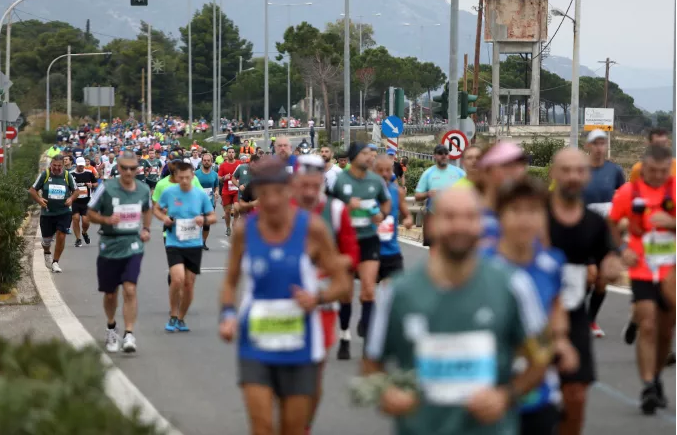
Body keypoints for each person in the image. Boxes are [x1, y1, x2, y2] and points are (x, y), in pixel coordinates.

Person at [363, 185, 551, 435]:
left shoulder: (513, 285)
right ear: (432, 225)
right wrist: (386, 393)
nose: (460, 225)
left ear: (481, 225)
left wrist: (507, 396)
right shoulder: (397, 293)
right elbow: (371, 364)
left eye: (469, 217)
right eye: (450, 217)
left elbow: (542, 355)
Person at [218, 156, 351, 435]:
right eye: (264, 194)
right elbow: (230, 282)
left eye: (278, 192)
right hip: (255, 342)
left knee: (293, 429)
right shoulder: (245, 230)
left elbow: (343, 284)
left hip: (301, 344)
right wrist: (228, 315)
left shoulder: (313, 229)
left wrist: (317, 298)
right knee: (262, 426)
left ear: (289, 189)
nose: (272, 201)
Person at [483, 178, 579, 435]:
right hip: (486, 390)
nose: (524, 220)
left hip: (537, 390)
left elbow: (557, 304)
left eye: (533, 211)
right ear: (500, 216)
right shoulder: (480, 266)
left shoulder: (552, 263)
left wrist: (560, 339)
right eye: (516, 211)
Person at [548, 148, 623, 435]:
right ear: (554, 174)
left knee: (576, 394)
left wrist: (613, 263)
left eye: (579, 171)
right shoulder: (536, 215)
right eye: (566, 170)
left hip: (574, 315)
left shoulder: (593, 222)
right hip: (535, 316)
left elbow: (609, 253)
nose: (573, 176)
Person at [290, 154, 360, 434]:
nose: (309, 192)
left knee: (313, 373)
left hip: (322, 303)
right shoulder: (280, 209)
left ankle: (304, 424)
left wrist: (326, 262)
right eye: (303, 185)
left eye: (314, 185)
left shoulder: (335, 211)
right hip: (283, 304)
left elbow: (351, 256)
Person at [608, 144, 675, 415]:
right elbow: (612, 223)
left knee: (665, 330)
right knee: (647, 324)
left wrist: (671, 224)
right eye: (653, 171)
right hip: (642, 268)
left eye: (664, 171)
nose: (658, 176)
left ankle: (656, 376)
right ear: (643, 168)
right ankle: (648, 385)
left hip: (670, 267)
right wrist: (622, 250)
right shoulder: (628, 192)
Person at [87, 150, 152, 353]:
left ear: (137, 169)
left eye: (132, 168)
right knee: (110, 294)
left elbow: (148, 208)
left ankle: (129, 334)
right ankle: (111, 326)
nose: (128, 172)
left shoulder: (143, 189)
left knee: (130, 288)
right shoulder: (106, 188)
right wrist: (106, 220)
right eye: (124, 168)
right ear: (118, 168)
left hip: (133, 244)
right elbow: (89, 213)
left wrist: (146, 229)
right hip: (110, 245)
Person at [331, 142, 391, 360]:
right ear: (354, 156)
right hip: (346, 241)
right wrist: (347, 208)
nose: (369, 157)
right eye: (364, 154)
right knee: (346, 293)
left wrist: (381, 217)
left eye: (370, 154)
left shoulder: (375, 180)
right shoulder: (340, 180)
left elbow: (386, 204)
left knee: (368, 290)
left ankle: (367, 338)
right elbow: (330, 208)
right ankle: (345, 336)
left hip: (368, 239)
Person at [155, 162, 217, 332]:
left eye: (187, 178)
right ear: (175, 177)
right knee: (177, 279)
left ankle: (181, 318)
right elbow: (157, 209)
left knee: (189, 283)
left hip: (194, 243)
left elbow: (213, 217)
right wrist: (164, 218)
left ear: (192, 176)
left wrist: (203, 220)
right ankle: (173, 315)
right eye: (180, 178)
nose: (184, 181)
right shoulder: (169, 192)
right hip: (174, 241)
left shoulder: (200, 195)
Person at [29, 154, 80, 273]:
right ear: (51, 164)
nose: (56, 168)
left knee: (61, 235)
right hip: (47, 213)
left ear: (63, 165)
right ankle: (47, 252)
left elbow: (76, 191)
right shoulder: (45, 175)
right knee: (46, 240)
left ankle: (55, 262)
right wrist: (39, 200)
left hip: (64, 212)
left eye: (59, 166)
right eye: (54, 165)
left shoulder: (67, 176)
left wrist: (71, 199)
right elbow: (32, 190)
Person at [476, 141, 529, 248]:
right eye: (507, 165)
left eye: (520, 163)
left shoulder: (531, 216)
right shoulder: (466, 214)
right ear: (485, 171)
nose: (517, 170)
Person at [414, 144, 466, 246]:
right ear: (434, 156)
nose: (443, 156)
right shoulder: (428, 173)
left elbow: (470, 190)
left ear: (449, 156)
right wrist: (428, 193)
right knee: (434, 248)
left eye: (446, 153)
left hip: (454, 217)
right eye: (440, 153)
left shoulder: (458, 173)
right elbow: (417, 196)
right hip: (434, 216)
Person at [373, 155, 413, 286]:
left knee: (393, 293)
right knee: (368, 294)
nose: (384, 174)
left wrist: (408, 221)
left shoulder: (397, 192)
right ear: (373, 171)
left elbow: (407, 215)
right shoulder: (366, 191)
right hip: (370, 251)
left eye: (388, 170)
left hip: (391, 251)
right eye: (380, 170)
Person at [194, 153, 220, 251]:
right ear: (202, 161)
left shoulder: (214, 174)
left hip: (209, 202)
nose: (206, 162)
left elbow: (216, 185)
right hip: (197, 202)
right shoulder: (196, 174)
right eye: (204, 160)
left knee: (206, 224)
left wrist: (217, 192)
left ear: (211, 161)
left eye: (208, 160)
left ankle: (203, 242)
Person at [71, 157, 98, 247]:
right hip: (75, 201)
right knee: (76, 219)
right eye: (80, 166)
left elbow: (96, 183)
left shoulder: (89, 173)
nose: (81, 167)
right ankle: (78, 239)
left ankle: (84, 233)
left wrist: (92, 185)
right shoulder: (71, 174)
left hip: (86, 201)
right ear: (76, 165)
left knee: (86, 221)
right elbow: (67, 186)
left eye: (82, 165)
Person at [217, 147, 240, 236]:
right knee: (227, 211)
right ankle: (228, 227)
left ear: (235, 154)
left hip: (236, 189)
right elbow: (218, 177)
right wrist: (223, 178)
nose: (231, 154)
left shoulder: (239, 163)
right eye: (229, 152)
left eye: (232, 152)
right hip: (226, 190)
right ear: (227, 154)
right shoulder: (223, 165)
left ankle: (235, 221)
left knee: (237, 208)